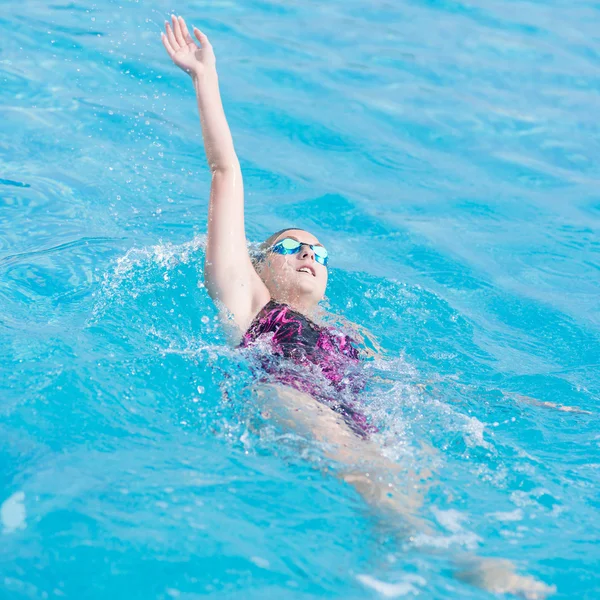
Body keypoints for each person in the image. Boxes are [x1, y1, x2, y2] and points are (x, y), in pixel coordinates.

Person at [160, 16, 555, 598]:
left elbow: (406, 384)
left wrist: (511, 400)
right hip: (282, 392)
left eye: (319, 251)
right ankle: (470, 568)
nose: (309, 255)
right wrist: (204, 80)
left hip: (353, 405)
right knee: (378, 478)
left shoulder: (344, 330)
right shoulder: (248, 298)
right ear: (260, 260)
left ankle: (391, 568)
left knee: (410, 478)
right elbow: (226, 171)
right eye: (292, 246)